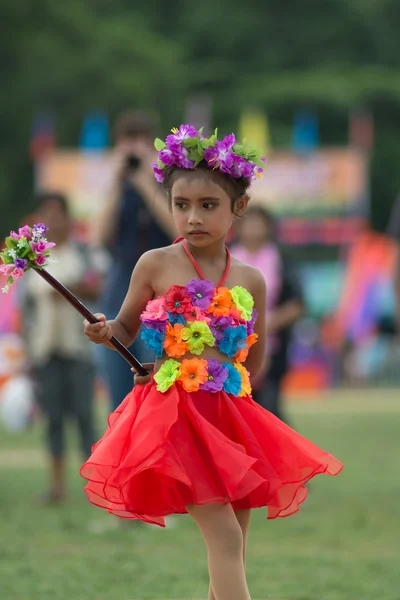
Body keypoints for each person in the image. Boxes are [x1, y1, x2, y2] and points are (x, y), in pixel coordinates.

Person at [81, 125, 343, 600]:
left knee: (234, 546)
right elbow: (123, 329)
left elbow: (254, 362)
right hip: (175, 417)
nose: (192, 217)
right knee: (223, 538)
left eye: (208, 206)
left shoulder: (252, 279)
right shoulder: (155, 263)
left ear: (238, 208)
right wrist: (105, 331)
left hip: (231, 416)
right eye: (181, 205)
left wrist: (227, 376)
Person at [94, 110, 176, 411]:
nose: (133, 149)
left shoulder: (167, 186)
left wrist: (145, 181)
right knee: (117, 367)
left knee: (155, 370)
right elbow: (99, 236)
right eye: (127, 142)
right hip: (123, 280)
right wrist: (118, 182)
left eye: (140, 141)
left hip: (162, 282)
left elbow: (176, 230)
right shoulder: (119, 188)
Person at [22, 192, 101, 503]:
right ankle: (57, 488)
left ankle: (95, 485)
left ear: (69, 219)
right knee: (53, 419)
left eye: (58, 214)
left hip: (79, 349)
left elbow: (98, 286)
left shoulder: (83, 253)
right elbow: (24, 305)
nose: (53, 221)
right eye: (47, 215)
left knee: (84, 416)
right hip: (45, 349)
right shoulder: (30, 257)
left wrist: (69, 291)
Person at [230, 206, 304, 422]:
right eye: (248, 223)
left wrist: (264, 325)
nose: (253, 229)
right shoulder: (226, 256)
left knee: (269, 411)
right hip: (231, 346)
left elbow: (296, 304)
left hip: (272, 346)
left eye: (258, 223)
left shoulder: (281, 259)